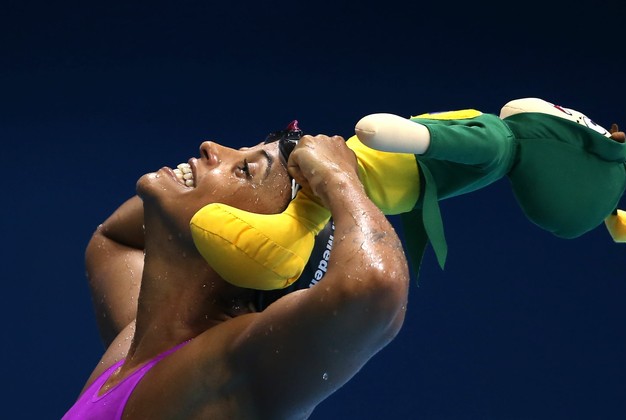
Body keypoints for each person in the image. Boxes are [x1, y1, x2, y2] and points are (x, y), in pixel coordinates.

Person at [64, 134, 410, 419]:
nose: (210, 146)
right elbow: (112, 240)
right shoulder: (135, 346)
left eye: (245, 170)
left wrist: (338, 175)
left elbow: (374, 289)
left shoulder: (223, 371)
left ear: (257, 243)